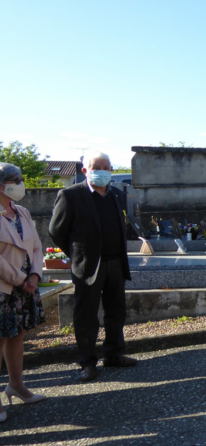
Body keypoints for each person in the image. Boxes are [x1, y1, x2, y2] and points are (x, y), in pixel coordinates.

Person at [49, 152, 136, 383]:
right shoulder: (70, 195)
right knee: (86, 316)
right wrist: (77, 254)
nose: (103, 171)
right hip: (88, 266)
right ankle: (87, 362)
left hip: (116, 263)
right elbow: (56, 231)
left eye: (107, 167)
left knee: (116, 311)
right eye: (97, 167)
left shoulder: (117, 194)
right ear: (85, 170)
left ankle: (114, 354)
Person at [0, 163, 47, 422]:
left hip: (24, 287)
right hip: (5, 287)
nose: (20, 184)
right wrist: (20, 279)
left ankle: (16, 385)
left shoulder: (22, 212)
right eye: (14, 180)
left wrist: (35, 275)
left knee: (18, 335)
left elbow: (38, 246)